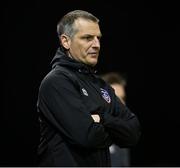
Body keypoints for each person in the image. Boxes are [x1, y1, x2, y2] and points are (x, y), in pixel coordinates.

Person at [36, 10, 141, 167]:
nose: (96, 45)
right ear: (66, 41)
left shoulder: (101, 85)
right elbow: (88, 136)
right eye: (87, 38)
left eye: (98, 38)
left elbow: (133, 133)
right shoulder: (56, 82)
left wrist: (102, 118)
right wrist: (115, 131)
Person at [101, 71, 131, 167]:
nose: (122, 105)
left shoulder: (122, 137)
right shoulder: (86, 137)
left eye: (123, 98)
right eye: (116, 99)